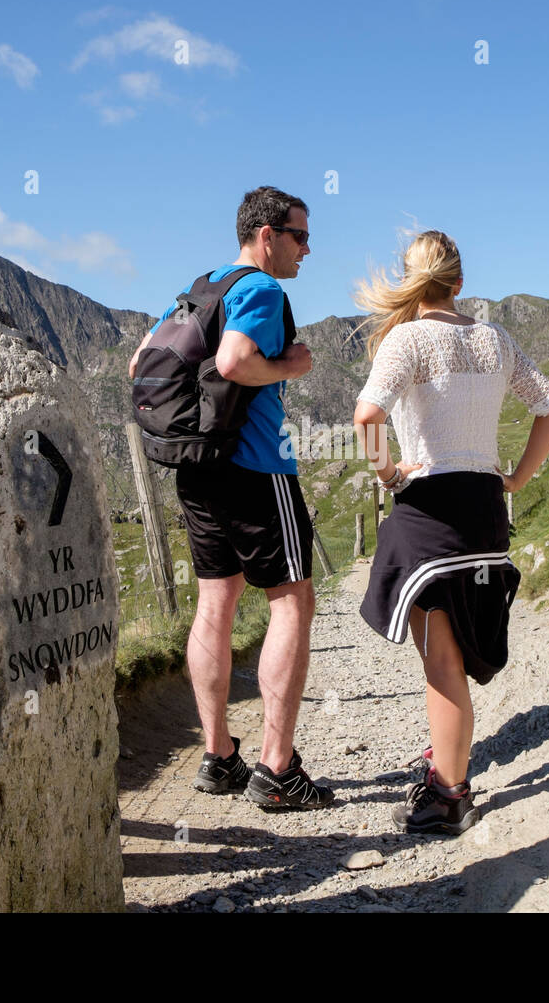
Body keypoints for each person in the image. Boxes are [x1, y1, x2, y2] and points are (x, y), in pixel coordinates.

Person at [352, 230, 549, 834]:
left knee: (441, 664)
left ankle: (450, 794)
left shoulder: (406, 340)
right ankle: (446, 765)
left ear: (412, 279)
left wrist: (391, 473)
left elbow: (367, 417)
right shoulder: (493, 338)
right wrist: (519, 478)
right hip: (484, 506)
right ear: (461, 281)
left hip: (431, 506)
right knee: (458, 654)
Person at [126, 186, 333, 810]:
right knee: (292, 600)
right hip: (256, 468)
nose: (307, 249)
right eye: (300, 236)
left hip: (198, 469)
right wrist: (291, 368)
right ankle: (276, 769)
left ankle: (218, 758)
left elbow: (139, 359)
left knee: (216, 601)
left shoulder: (200, 285)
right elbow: (237, 360)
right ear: (266, 235)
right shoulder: (264, 290)